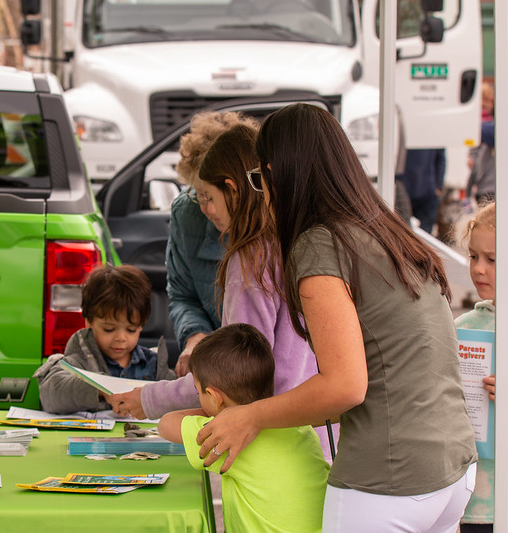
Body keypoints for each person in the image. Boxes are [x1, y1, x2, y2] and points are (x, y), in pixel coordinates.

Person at [198, 103, 477, 532]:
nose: (262, 191)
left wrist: (250, 416)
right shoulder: (385, 230)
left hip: (389, 479)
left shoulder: (319, 244)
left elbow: (344, 386)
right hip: (451, 470)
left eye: (260, 178)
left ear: (280, 173)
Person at [109, 122, 338, 463]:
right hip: (315, 436)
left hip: (264, 443)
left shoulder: (249, 263)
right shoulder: (300, 241)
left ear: (232, 187)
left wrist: (148, 400)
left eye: (207, 197)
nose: (204, 209)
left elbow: (232, 372)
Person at [159, 323, 329, 532]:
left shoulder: (231, 436)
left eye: (198, 393)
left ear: (214, 397)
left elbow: (166, 424)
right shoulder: (300, 427)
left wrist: (220, 417)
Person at [168, 111, 253, 377]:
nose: (206, 207)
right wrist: (196, 338)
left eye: (210, 195)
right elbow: (183, 296)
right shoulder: (186, 212)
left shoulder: (274, 229)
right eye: (198, 194)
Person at [34, 264, 175, 413]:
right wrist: (98, 387)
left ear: (142, 325)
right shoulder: (77, 362)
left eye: (131, 329)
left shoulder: (154, 366)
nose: (121, 338)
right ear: (89, 322)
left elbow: (178, 398)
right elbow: (50, 396)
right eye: (109, 329)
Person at [456, 201, 497, 533]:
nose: (479, 269)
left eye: (492, 260)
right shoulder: (463, 326)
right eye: (473, 257)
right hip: (470, 504)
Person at [395, 147, 446, 233]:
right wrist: (438, 186)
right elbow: (441, 159)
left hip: (415, 190)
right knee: (421, 234)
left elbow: (440, 159)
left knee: (405, 232)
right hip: (422, 189)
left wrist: (438, 186)